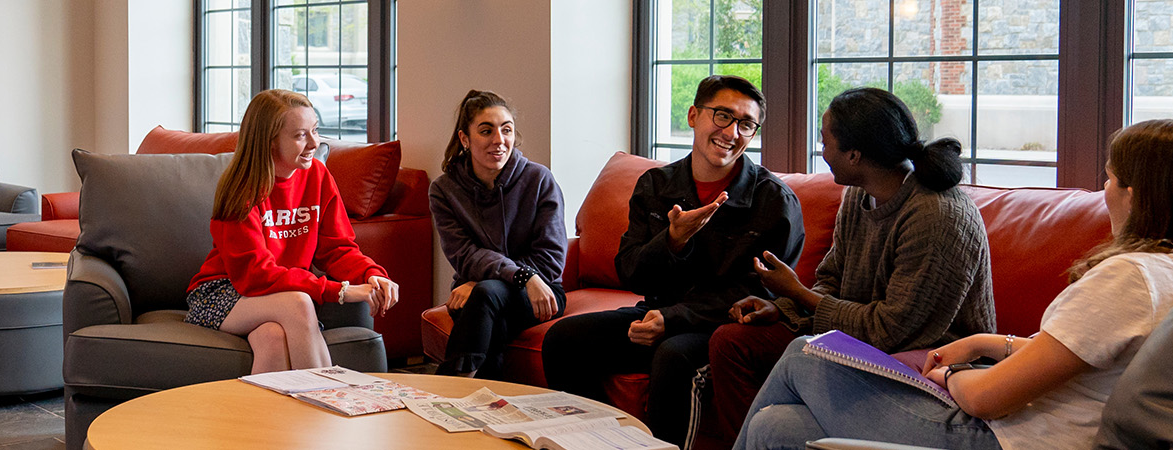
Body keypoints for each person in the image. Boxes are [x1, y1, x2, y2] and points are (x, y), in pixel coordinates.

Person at [732, 119, 1173, 449]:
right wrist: (989, 342)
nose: (1103, 192)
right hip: (1022, 424)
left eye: (1109, 178)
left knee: (805, 352)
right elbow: (1089, 354)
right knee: (777, 427)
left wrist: (953, 371)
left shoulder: (1131, 277)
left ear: (1138, 195)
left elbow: (985, 400)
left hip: (1000, 438)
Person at [691, 87, 996, 450]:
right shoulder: (858, 193)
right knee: (734, 346)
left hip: (927, 368)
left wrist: (797, 294)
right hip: (858, 345)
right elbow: (832, 278)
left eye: (825, 141)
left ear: (854, 155)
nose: (822, 152)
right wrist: (784, 308)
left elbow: (891, 331)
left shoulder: (937, 215)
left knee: (802, 354)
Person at [541, 75, 803, 445]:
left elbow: (759, 293)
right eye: (723, 116)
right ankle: (598, 441)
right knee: (564, 339)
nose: (732, 132)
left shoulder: (774, 201)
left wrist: (673, 319)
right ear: (694, 115)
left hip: (719, 330)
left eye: (746, 124)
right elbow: (630, 270)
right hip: (659, 312)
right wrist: (673, 241)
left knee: (673, 356)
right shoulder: (656, 185)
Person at [186, 89, 401, 374]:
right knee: (299, 303)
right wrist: (340, 291)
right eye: (301, 135)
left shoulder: (318, 175)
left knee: (272, 338)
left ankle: (268, 419)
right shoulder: (242, 189)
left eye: (315, 130)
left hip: (279, 295)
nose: (315, 143)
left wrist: (370, 274)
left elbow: (337, 248)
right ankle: (328, 405)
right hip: (223, 293)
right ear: (269, 141)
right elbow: (254, 274)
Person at [428, 90, 568, 378]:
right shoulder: (444, 190)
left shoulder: (539, 180)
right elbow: (464, 254)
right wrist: (516, 275)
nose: (499, 140)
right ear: (464, 139)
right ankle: (487, 404)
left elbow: (551, 259)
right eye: (486, 131)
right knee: (488, 302)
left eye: (507, 130)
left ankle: (450, 386)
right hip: (478, 290)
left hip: (541, 292)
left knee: (486, 294)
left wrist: (508, 278)